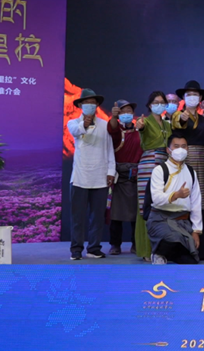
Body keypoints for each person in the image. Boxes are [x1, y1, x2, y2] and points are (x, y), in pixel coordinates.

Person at [67, 88, 116, 260]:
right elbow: (75, 131)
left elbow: (110, 150)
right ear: (80, 105)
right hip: (80, 177)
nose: (90, 105)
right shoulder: (73, 123)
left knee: (97, 217)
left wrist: (111, 172)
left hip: (100, 177)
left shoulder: (104, 124)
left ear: (97, 105)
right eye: (86, 102)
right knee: (78, 217)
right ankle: (76, 250)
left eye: (93, 102)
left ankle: (94, 248)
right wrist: (85, 124)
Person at [171, 80, 204, 260]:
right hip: (185, 159)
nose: (192, 97)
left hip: (203, 160)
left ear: (201, 97)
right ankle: (184, 247)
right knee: (184, 199)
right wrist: (182, 118)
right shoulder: (178, 115)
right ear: (183, 98)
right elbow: (177, 124)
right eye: (189, 95)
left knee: (202, 202)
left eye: (195, 94)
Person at [146, 135, 202, 264]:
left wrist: (196, 231)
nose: (180, 150)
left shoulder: (191, 172)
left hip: (182, 222)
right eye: (176, 146)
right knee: (173, 238)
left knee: (191, 260)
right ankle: (158, 253)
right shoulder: (160, 170)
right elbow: (156, 198)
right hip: (161, 219)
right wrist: (175, 195)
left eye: (183, 146)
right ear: (168, 150)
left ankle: (166, 253)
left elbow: (196, 202)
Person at [135, 91, 172, 262]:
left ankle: (160, 248)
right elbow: (140, 128)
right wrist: (140, 126)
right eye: (156, 102)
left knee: (162, 205)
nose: (159, 105)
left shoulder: (167, 124)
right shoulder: (145, 121)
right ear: (150, 105)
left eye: (162, 102)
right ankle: (145, 249)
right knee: (145, 206)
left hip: (164, 164)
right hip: (149, 164)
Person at [106, 99, 143, 255]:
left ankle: (136, 244)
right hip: (119, 177)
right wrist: (114, 118)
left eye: (129, 111)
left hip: (136, 176)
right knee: (116, 215)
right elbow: (112, 128)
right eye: (123, 111)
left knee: (136, 214)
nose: (127, 113)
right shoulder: (117, 131)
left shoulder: (140, 130)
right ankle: (115, 244)